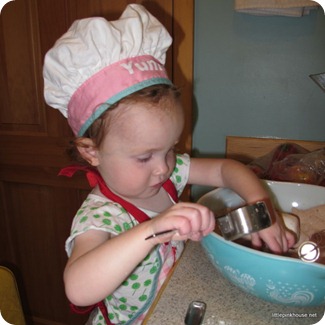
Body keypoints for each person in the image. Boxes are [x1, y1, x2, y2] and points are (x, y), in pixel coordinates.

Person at [43, 4, 295, 324]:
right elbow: (78, 289)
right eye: (145, 156)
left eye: (170, 149)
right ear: (91, 152)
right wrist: (153, 229)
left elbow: (225, 170)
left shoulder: (166, 175)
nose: (163, 167)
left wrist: (262, 208)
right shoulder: (100, 216)